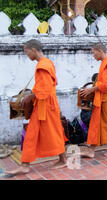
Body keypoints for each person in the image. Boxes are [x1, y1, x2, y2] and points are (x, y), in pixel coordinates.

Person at [6, 40, 67, 176]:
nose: (26, 54)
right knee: (35, 134)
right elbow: (52, 83)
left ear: (33, 49)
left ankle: (61, 160)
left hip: (46, 106)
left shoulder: (43, 65)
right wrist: (34, 95)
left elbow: (44, 90)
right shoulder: (47, 63)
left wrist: (30, 97)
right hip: (45, 105)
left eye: (26, 51)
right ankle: (26, 165)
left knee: (51, 133)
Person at [79, 43, 107, 158]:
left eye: (93, 52)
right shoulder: (104, 63)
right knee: (96, 124)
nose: (93, 55)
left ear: (100, 51)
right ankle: (91, 150)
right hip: (101, 98)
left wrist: (91, 89)